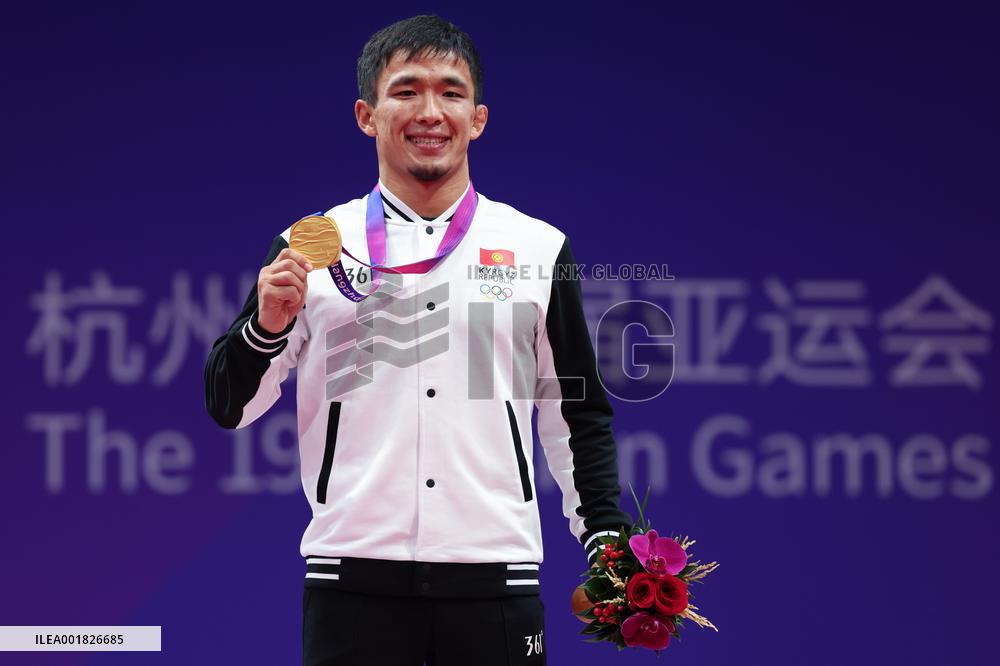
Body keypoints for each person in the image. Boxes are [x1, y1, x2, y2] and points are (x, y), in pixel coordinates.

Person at [204, 14, 632, 666]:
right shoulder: (311, 245)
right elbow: (229, 407)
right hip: (353, 580)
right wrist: (266, 327)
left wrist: (605, 542)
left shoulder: (538, 248)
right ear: (366, 115)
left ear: (478, 118)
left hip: (496, 577)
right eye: (406, 90)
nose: (430, 111)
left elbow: (576, 416)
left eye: (451, 92)